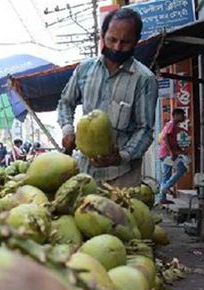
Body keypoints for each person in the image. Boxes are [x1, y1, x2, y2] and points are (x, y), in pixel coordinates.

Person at [57, 8, 158, 188]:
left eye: (125, 42)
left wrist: (121, 156)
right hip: (85, 173)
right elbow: (66, 102)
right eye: (112, 39)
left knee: (119, 217)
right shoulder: (84, 70)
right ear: (103, 35)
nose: (117, 47)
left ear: (136, 41)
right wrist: (67, 130)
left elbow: (145, 129)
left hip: (122, 176)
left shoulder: (145, 79)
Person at [158, 108, 188, 204]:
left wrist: (180, 150)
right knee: (182, 169)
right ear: (176, 115)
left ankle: (162, 198)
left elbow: (171, 140)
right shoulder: (171, 125)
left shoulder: (173, 125)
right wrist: (172, 152)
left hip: (165, 154)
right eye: (182, 115)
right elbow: (166, 137)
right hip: (167, 155)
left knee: (167, 175)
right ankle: (165, 188)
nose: (184, 117)